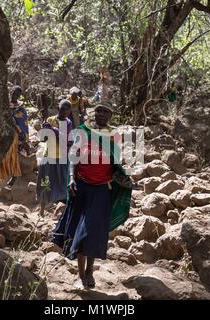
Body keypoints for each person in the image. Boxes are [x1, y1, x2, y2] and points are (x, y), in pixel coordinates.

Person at [51, 102, 132, 289]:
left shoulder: (114, 136)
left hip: (102, 189)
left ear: (110, 116)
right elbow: (73, 155)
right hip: (81, 187)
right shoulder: (82, 130)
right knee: (80, 232)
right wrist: (71, 177)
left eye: (106, 112)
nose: (101, 114)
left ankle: (90, 270)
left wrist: (123, 177)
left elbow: (116, 162)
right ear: (93, 113)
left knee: (94, 233)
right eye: (99, 111)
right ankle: (82, 274)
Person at [36, 100, 73, 216]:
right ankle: (41, 211)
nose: (64, 112)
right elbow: (43, 139)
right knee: (45, 184)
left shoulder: (68, 123)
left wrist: (54, 131)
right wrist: (44, 129)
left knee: (62, 185)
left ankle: (60, 212)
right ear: (58, 108)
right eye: (62, 109)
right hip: (49, 156)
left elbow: (67, 142)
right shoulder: (51, 120)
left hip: (62, 158)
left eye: (67, 110)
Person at [0, 85, 30, 189]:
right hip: (5, 132)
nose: (15, 95)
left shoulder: (21, 108)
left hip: (17, 136)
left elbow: (24, 123)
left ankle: (13, 178)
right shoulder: (4, 105)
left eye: (18, 94)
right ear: (10, 92)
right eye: (14, 93)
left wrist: (23, 137)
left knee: (14, 155)